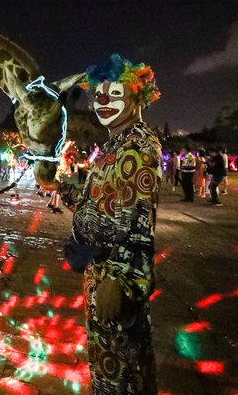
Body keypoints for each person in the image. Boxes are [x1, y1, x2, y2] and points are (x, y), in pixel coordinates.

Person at [62, 54, 161, 394]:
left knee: (121, 374)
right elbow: (98, 200)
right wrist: (60, 186)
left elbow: (138, 221)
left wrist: (118, 279)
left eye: (114, 94)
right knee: (108, 369)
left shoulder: (136, 148)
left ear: (137, 96)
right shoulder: (114, 147)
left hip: (113, 279)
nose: (102, 102)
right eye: (98, 95)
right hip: (97, 273)